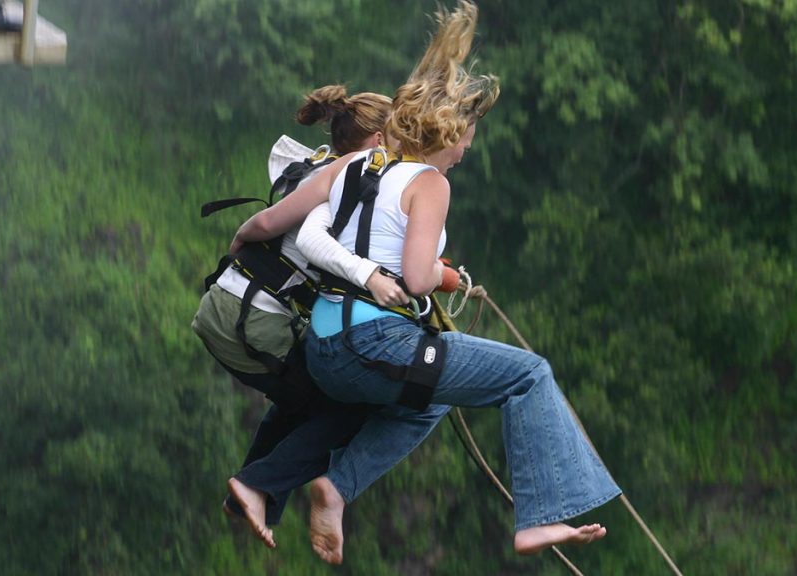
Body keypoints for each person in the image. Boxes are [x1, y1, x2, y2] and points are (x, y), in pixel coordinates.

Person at [230, 0, 621, 564]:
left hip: (325, 346)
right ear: (448, 132)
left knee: (428, 402)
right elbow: (415, 277)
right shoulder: (431, 185)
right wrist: (440, 275)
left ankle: (333, 488)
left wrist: (240, 243)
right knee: (530, 374)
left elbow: (272, 223)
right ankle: (540, 518)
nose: (465, 153)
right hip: (374, 343)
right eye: (465, 141)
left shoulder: (353, 165)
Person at [193, 85, 445, 549]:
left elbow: (265, 225)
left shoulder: (317, 166)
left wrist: (238, 247)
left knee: (304, 396)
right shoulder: (353, 182)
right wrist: (401, 277)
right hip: (253, 325)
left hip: (223, 306)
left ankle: (249, 493)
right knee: (353, 406)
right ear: (378, 140)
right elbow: (315, 241)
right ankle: (256, 487)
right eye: (400, 136)